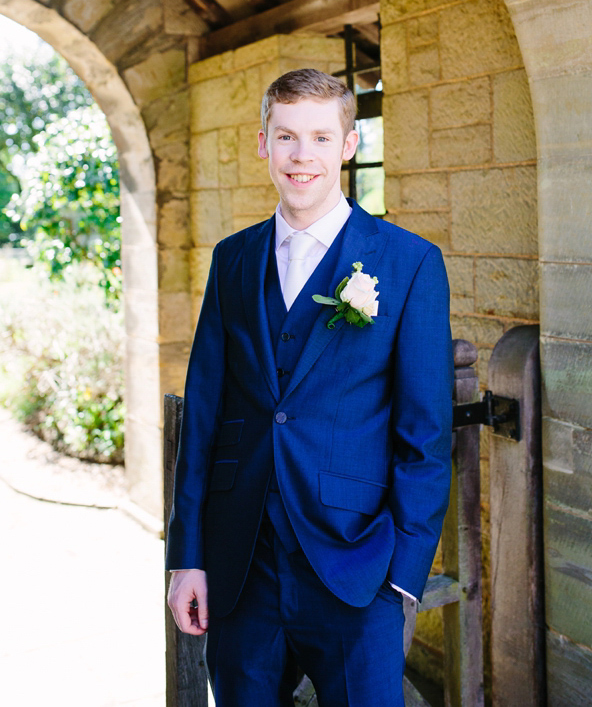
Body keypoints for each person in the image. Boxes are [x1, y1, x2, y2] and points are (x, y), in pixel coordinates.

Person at [165, 68, 452, 707]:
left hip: (356, 571)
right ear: (263, 142)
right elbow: (206, 414)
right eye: (287, 136)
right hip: (242, 570)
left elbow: (425, 437)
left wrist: (402, 579)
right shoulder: (231, 260)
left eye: (321, 138)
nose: (303, 157)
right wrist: (189, 556)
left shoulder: (409, 264)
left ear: (349, 145)